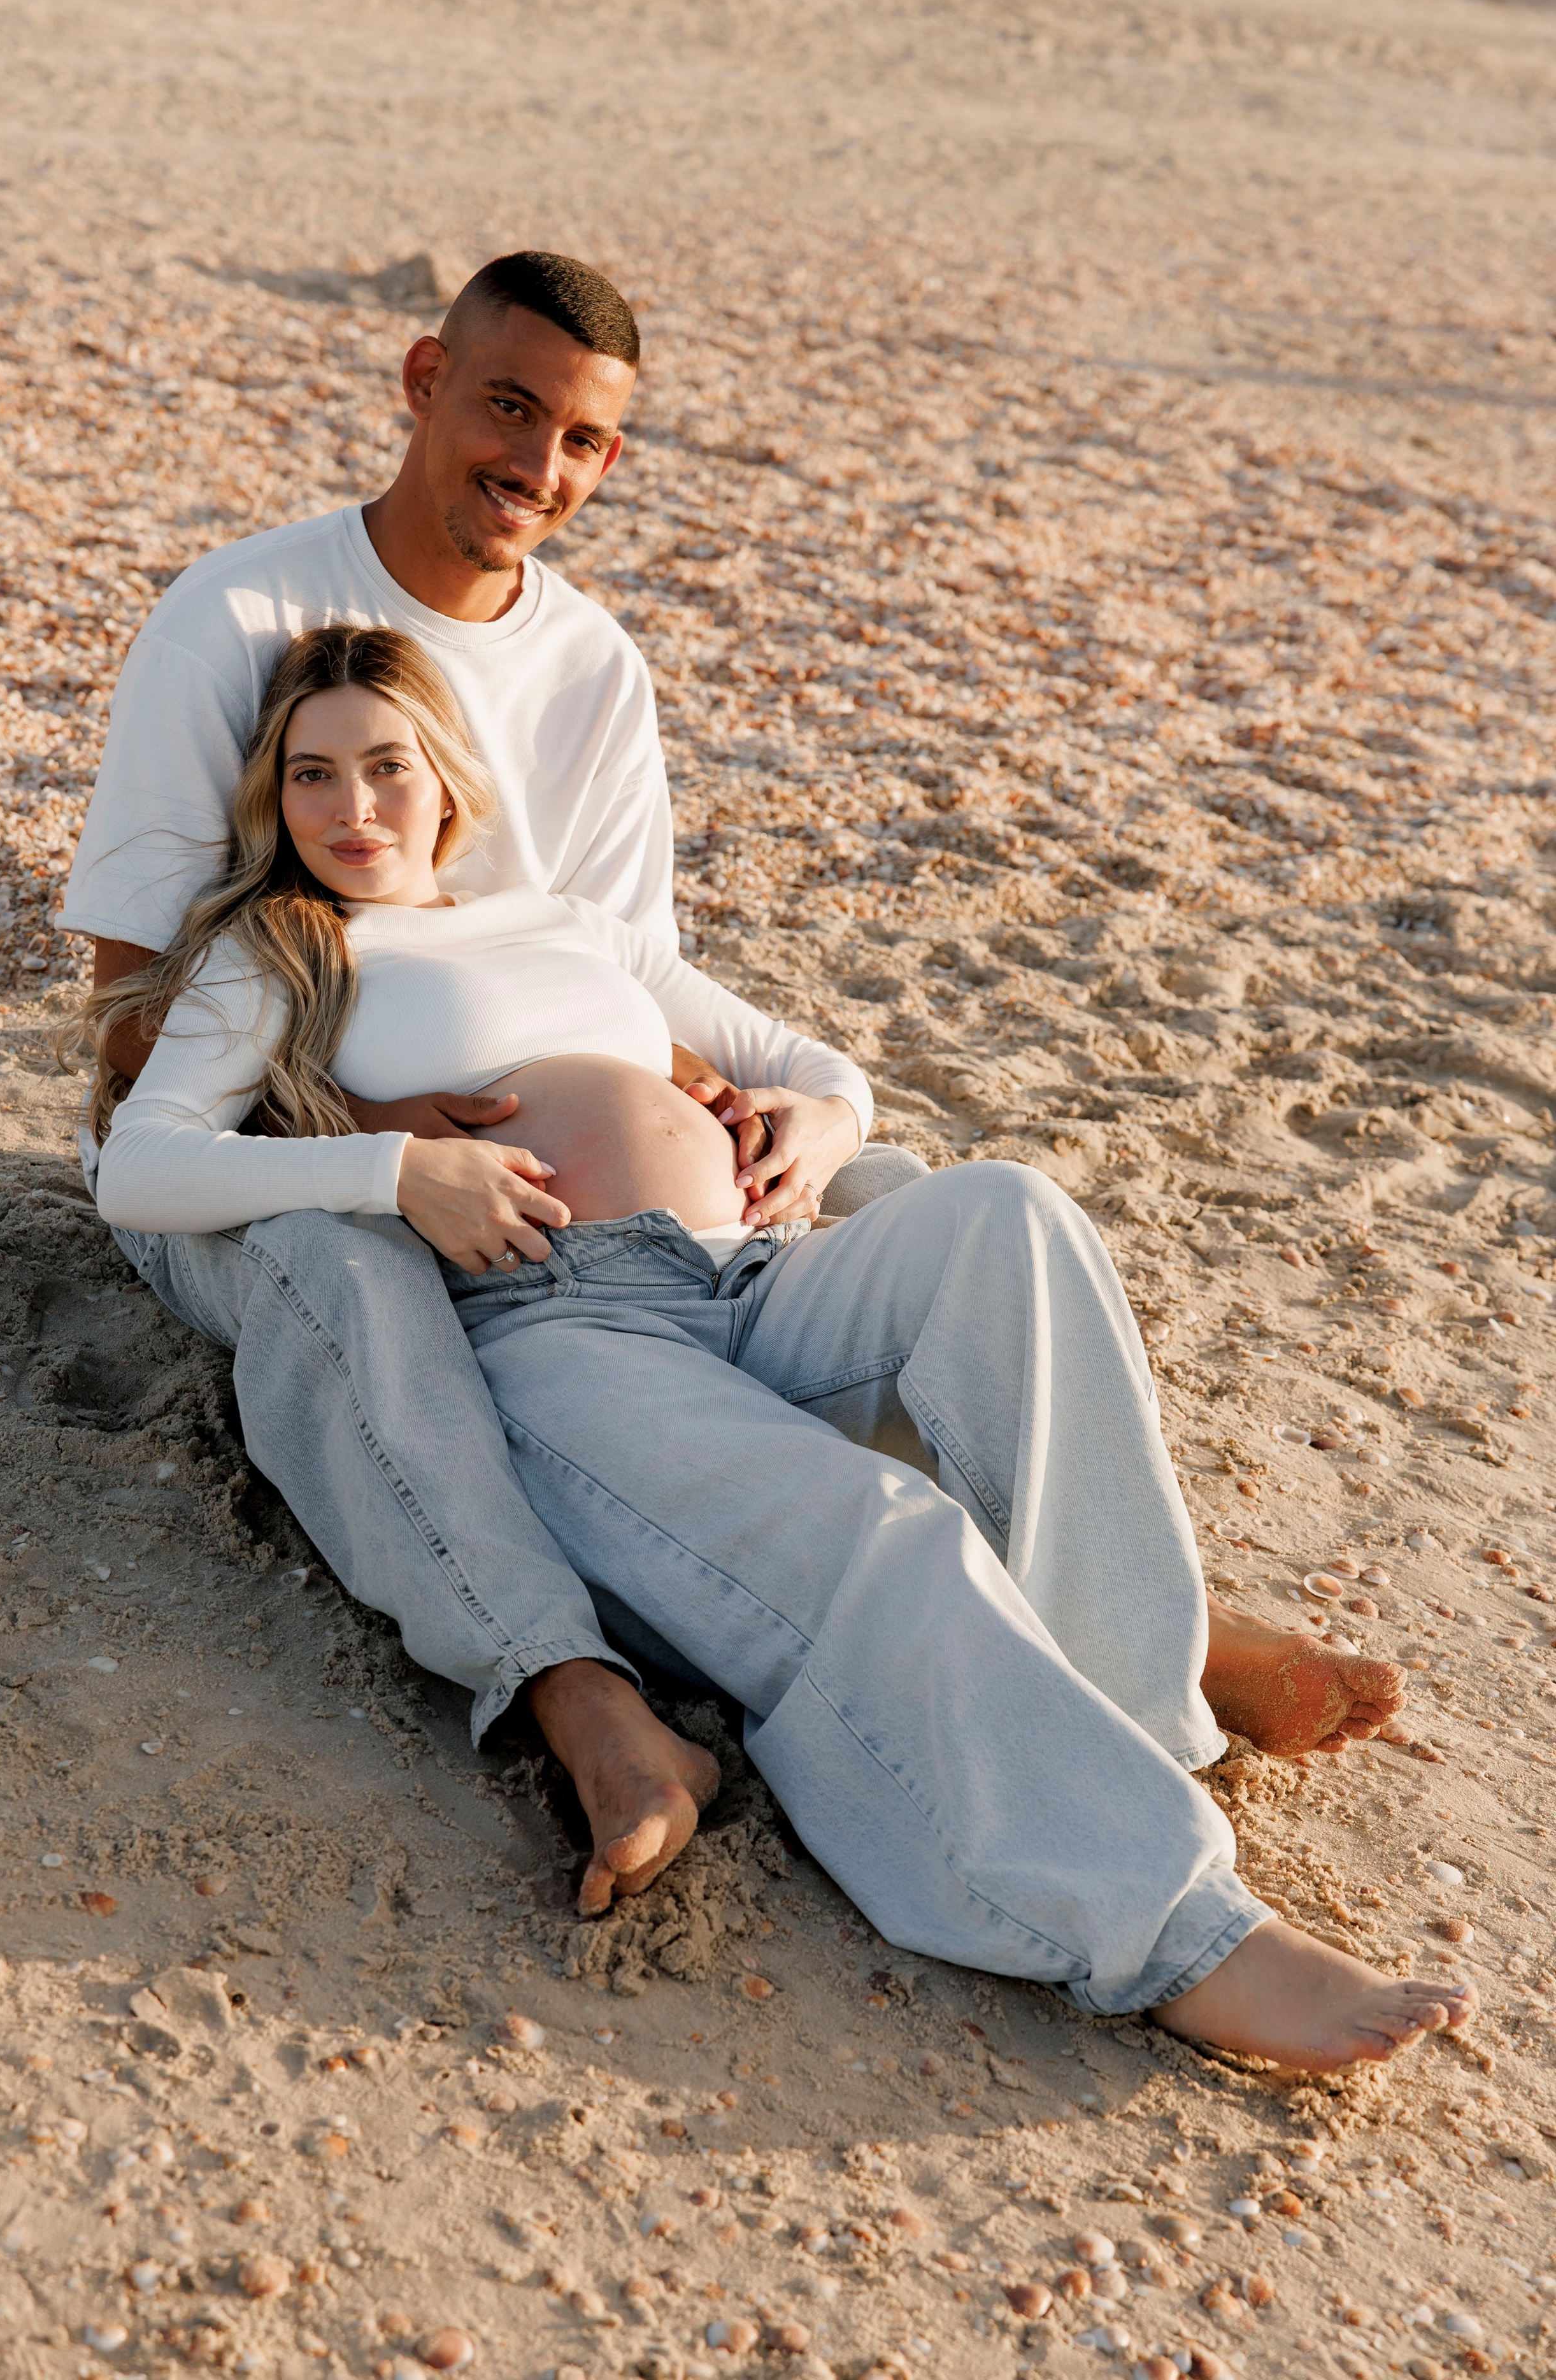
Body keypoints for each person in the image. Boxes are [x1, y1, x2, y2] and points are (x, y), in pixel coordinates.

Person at [87, 622, 1476, 2076]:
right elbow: (146, 1164)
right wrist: (392, 1170)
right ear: (275, 798)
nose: (352, 807)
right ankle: (1178, 1934)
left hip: (754, 1274)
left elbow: (810, 1063)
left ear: (448, 781)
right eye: (311, 775)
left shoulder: (566, 924)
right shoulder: (282, 953)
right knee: (884, 1531)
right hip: (561, 1324)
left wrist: (824, 1120)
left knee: (1006, 1211)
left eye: (386, 766)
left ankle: (1135, 1715)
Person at [62, 249, 918, 1887]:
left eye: (581, 439)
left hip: (557, 1196)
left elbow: (618, 977)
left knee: (894, 1194)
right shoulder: (235, 615)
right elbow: (124, 1023)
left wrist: (733, 1109)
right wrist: (377, 1140)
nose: (537, 464)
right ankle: (576, 1694)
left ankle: (1060, 1579)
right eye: (508, 408)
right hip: (273, 1157)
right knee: (346, 1268)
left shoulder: (594, 667)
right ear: (421, 382)